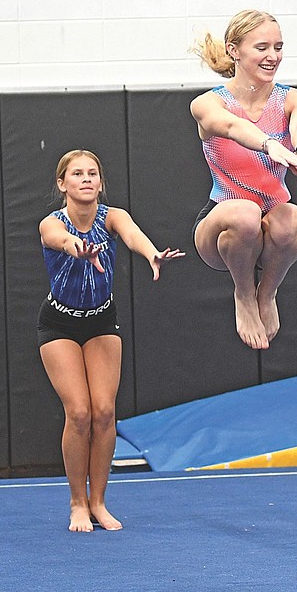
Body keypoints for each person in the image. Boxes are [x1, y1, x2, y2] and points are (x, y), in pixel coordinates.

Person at [38, 149, 183, 533]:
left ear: (100, 183)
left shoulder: (112, 216)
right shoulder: (52, 222)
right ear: (62, 183)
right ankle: (76, 502)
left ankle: (99, 501)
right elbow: (57, 239)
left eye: (92, 174)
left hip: (102, 320)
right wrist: (77, 248)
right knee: (80, 413)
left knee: (104, 413)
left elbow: (132, 235)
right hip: (60, 324)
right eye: (77, 174)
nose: (86, 179)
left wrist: (152, 253)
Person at [189, 9, 297, 350]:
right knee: (244, 213)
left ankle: (266, 293)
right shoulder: (208, 104)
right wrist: (269, 144)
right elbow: (230, 127)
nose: (273, 57)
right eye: (262, 47)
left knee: (295, 218)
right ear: (234, 50)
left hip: (272, 231)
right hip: (222, 225)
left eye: (278, 47)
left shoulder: (295, 98)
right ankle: (243, 293)